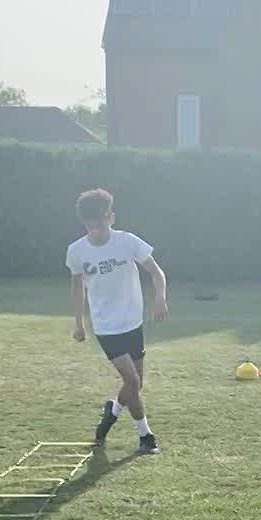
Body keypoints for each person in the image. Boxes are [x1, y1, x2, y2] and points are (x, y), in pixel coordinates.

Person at [67, 188, 166, 454]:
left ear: (111, 217)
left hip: (133, 322)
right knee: (132, 382)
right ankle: (145, 436)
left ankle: (112, 409)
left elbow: (156, 273)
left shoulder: (128, 242)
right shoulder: (76, 251)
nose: (96, 232)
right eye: (90, 227)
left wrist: (160, 297)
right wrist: (79, 322)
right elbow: (78, 286)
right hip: (106, 327)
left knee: (136, 384)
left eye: (100, 225)